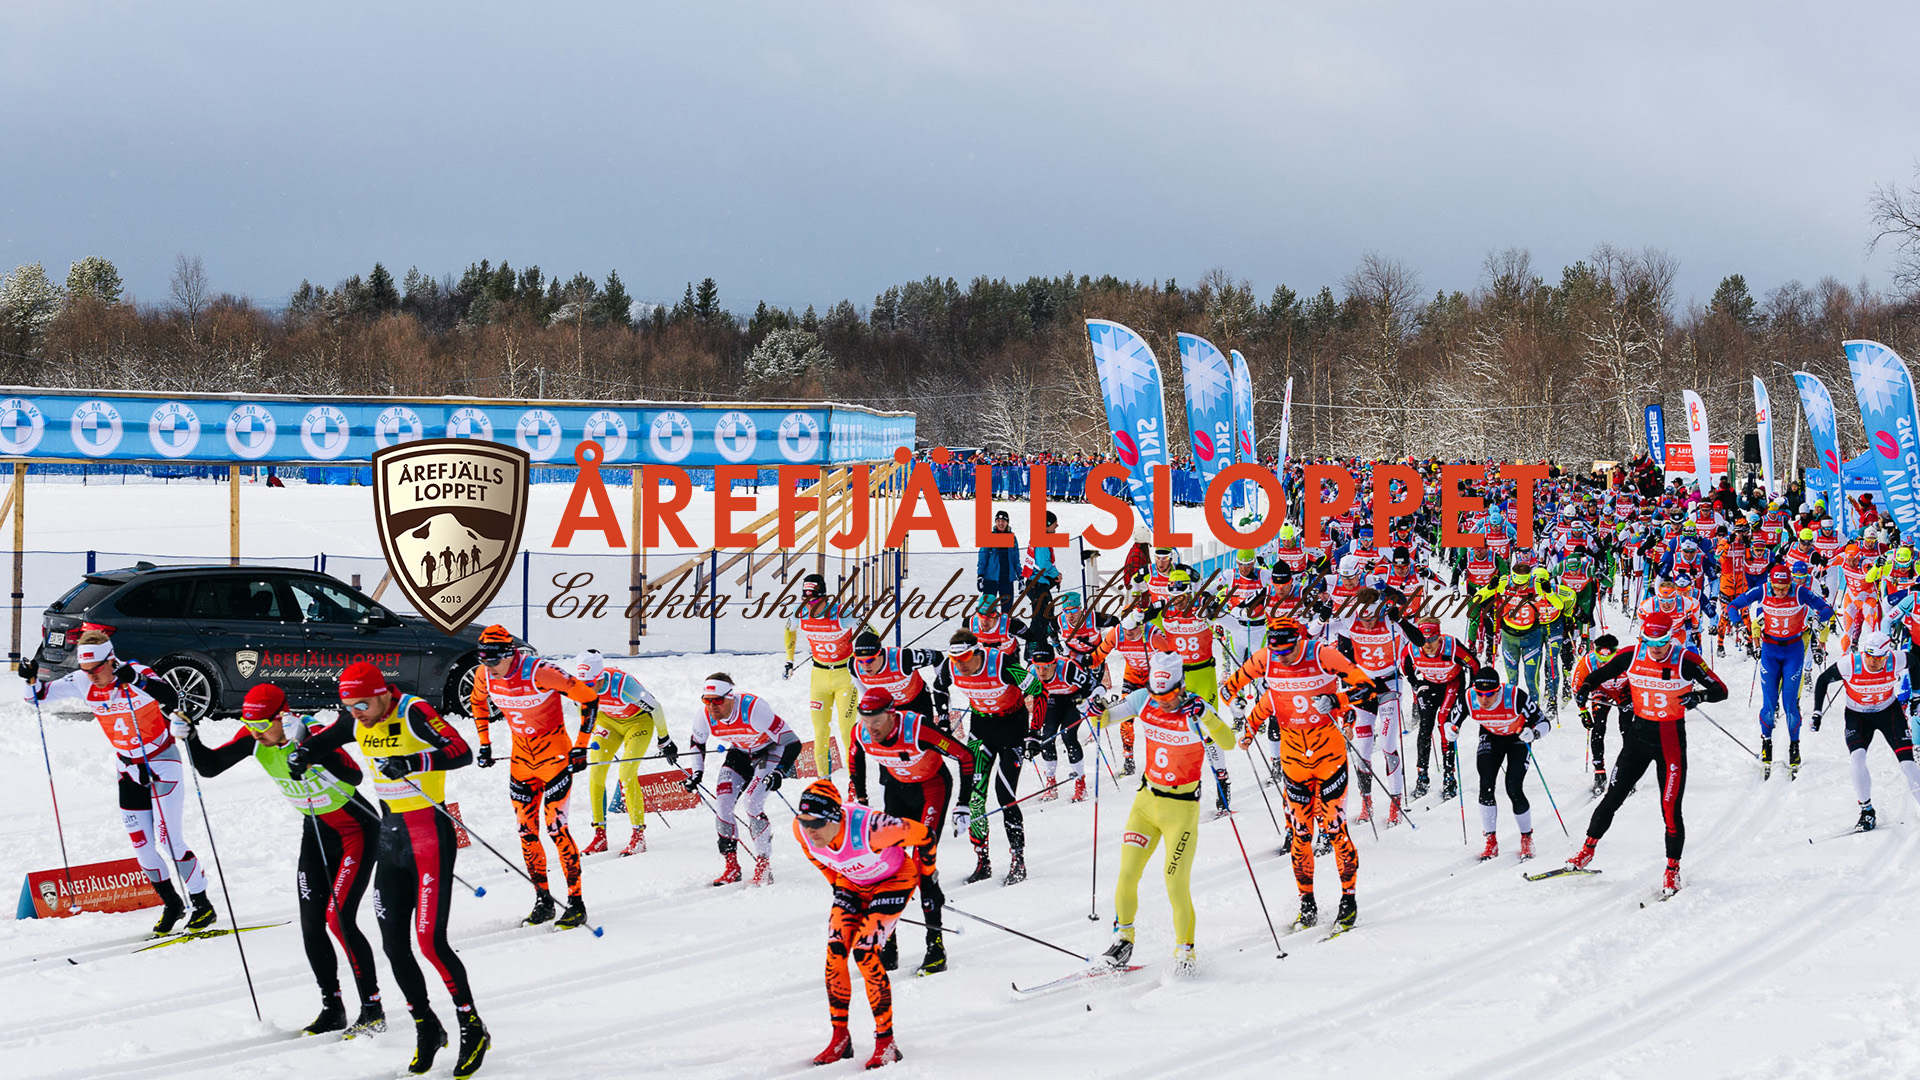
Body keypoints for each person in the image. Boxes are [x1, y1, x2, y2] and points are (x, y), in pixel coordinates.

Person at [291, 661, 486, 1078]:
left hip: (429, 836)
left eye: (362, 704)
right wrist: (304, 754)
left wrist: (415, 762)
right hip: (390, 837)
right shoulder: (356, 717)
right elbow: (327, 740)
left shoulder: (413, 711)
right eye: (348, 706)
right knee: (394, 944)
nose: (356, 713)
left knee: (430, 943)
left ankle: (471, 1026)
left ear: (382, 694)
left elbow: (460, 751)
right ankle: (426, 1025)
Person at [177, 683, 383, 1037]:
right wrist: (191, 737)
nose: (255, 733)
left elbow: (354, 775)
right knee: (311, 923)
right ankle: (332, 1008)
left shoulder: (311, 733)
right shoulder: (256, 738)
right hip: (316, 831)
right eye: (249, 725)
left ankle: (373, 1011)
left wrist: (311, 752)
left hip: (357, 830)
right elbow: (210, 767)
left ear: (282, 717)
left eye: (261, 726)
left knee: (339, 919)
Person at [22, 630, 214, 935]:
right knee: (142, 847)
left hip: (162, 763)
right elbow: (36, 697)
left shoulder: (136, 673)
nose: (92, 677)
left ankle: (202, 904)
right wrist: (30, 678)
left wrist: (137, 681)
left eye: (97, 670)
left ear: (111, 660)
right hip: (128, 769)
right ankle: (172, 903)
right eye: (86, 670)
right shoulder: (82, 681)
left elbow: (171, 697)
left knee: (169, 840)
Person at [1087, 651, 1239, 975]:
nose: (1163, 702)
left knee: (1175, 882)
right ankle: (1122, 939)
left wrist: (1207, 716)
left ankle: (1185, 952)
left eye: (1169, 696)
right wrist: (1095, 709)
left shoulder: (1196, 709)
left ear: (1180, 686)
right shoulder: (1143, 699)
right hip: (1145, 804)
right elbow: (1102, 721)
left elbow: (1228, 742)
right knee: (1127, 874)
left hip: (1181, 811)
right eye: (1158, 696)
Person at [1227, 618, 1376, 932]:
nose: (1282, 657)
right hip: (1293, 759)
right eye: (1276, 651)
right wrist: (1236, 707)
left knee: (1334, 830)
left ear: (1298, 641)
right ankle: (1307, 903)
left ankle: (1348, 900)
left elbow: (1368, 687)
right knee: (1300, 834)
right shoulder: (1265, 658)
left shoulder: (1322, 654)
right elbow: (1230, 687)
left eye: (1287, 650)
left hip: (1329, 756)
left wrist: (1337, 700)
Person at [1568, 611, 1729, 897]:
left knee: (1670, 809)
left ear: (1671, 638)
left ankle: (1672, 870)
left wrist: (1699, 696)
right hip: (1638, 739)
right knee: (1612, 798)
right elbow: (1599, 675)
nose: (1656, 648)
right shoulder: (1631, 655)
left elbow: (1721, 690)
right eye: (1650, 641)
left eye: (1662, 641)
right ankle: (1586, 851)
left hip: (1670, 742)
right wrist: (1585, 689)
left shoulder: (1686, 659)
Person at [467, 625, 600, 929]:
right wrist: (485, 743)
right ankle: (543, 900)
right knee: (526, 832)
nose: (488, 667)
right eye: (482, 660)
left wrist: (581, 746)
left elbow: (589, 698)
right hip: (521, 763)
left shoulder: (541, 672)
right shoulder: (485, 675)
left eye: (493, 660)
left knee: (556, 830)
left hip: (555, 760)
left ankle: (576, 903)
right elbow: (477, 702)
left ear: (509, 654)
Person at [793, 779, 926, 1070]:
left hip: (894, 880)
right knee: (836, 952)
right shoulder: (801, 830)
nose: (810, 830)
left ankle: (886, 1042)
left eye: (816, 822)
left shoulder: (874, 829)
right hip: (852, 883)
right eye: (804, 821)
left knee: (865, 953)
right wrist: (838, 886)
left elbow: (924, 835)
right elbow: (821, 861)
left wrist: (929, 882)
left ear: (835, 818)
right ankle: (840, 1037)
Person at [848, 688, 975, 975]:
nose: (871, 728)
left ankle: (936, 949)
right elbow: (854, 755)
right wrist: (861, 800)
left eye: (877, 721)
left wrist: (963, 804)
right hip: (897, 792)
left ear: (891, 715)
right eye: (866, 721)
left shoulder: (918, 729)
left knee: (921, 867)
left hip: (931, 790)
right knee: (885, 868)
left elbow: (965, 756)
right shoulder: (862, 732)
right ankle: (888, 947)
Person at [931, 630, 1044, 885]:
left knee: (1005, 797)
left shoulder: (1002, 664)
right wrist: (944, 719)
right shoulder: (951, 667)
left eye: (965, 658)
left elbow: (1039, 691)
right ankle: (983, 862)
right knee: (975, 799)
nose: (960, 665)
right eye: (955, 659)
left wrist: (1035, 732)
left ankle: (1018, 860)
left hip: (1013, 728)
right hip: (981, 729)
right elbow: (938, 688)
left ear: (977, 652)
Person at [682, 673, 802, 886]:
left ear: (730, 697)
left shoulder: (754, 710)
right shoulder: (705, 715)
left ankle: (764, 865)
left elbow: (793, 742)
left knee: (752, 802)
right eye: (707, 701)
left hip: (769, 751)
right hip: (740, 753)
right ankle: (731, 866)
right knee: (723, 803)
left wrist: (780, 771)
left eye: (717, 700)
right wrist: (697, 773)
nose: (712, 706)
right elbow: (697, 742)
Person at [1727, 563, 1832, 778]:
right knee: (1769, 703)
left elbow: (1827, 609)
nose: (1782, 592)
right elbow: (1733, 606)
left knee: (1790, 704)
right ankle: (1766, 744)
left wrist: (1817, 618)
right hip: (1770, 650)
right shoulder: (1763, 590)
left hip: (1793, 650)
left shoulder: (1799, 591)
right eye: (1777, 588)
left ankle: (1795, 747)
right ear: (1771, 583)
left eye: (1785, 588)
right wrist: (1739, 625)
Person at [1810, 629, 1920, 832]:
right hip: (1857, 716)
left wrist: (1916, 695)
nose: (1872, 661)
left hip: (1889, 713)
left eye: (1878, 658)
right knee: (1857, 758)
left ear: (1886, 655)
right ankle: (1867, 811)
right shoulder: (1850, 664)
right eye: (1869, 656)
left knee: (1908, 764)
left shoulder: (1896, 659)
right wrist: (1817, 712)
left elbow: (1914, 662)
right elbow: (1823, 680)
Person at [574, 650, 676, 857]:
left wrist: (664, 739)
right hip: (608, 723)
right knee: (596, 773)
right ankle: (599, 835)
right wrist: (591, 733)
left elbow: (655, 708)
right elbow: (583, 711)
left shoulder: (623, 685)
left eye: (590, 684)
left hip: (637, 723)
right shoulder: (578, 688)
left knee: (626, 774)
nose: (585, 689)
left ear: (600, 678)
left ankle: (638, 836)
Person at [1450, 667, 1551, 861]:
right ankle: (1491, 840)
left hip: (1517, 737)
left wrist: (1534, 733)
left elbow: (1544, 722)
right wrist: (1451, 730)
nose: (1484, 699)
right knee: (1486, 784)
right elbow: (1451, 721)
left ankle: (1526, 838)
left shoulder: (1514, 696)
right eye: (1480, 694)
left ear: (1498, 690)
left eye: (1489, 694)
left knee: (1513, 787)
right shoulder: (1468, 698)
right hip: (1491, 736)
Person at [784, 573, 868, 777]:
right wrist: (789, 660)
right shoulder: (799, 612)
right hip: (819, 677)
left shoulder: (842, 613)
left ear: (824, 597)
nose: (809, 605)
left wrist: (864, 657)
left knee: (847, 731)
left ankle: (855, 780)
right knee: (820, 733)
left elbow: (870, 632)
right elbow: (789, 630)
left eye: (813, 600)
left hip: (845, 677)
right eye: (806, 599)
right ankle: (824, 781)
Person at [1401, 616, 1478, 800]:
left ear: (1439, 636)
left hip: (1452, 684)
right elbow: (1405, 666)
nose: (1428, 644)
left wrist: (1470, 690)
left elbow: (1474, 665)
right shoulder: (1412, 648)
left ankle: (1449, 777)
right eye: (1423, 639)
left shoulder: (1452, 647)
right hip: (1429, 685)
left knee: (1444, 724)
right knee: (1425, 727)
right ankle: (1422, 776)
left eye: (1432, 639)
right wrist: (1415, 683)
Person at [1570, 635, 1631, 795]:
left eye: (1608, 653)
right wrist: (1583, 712)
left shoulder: (1625, 659)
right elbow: (1577, 689)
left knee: (1626, 727)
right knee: (1598, 726)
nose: (1603, 657)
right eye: (1600, 652)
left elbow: (1641, 680)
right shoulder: (1587, 662)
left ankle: (1628, 770)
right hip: (1600, 690)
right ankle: (1599, 771)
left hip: (1624, 689)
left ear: (1615, 651)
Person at [976, 510, 1019, 609]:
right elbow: (982, 557)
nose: (1001, 523)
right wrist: (980, 575)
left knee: (1007, 609)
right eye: (998, 521)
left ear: (1007, 522)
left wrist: (1020, 576)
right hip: (991, 579)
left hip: (1007, 579)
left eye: (1003, 521)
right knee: (987, 609)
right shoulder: (990, 537)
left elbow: (1016, 559)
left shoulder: (1012, 538)